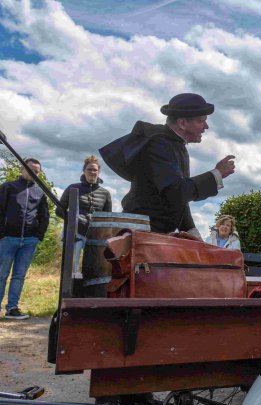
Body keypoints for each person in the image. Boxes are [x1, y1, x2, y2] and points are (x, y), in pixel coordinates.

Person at [99, 93, 235, 237]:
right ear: (182, 123)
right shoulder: (158, 145)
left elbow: (178, 198)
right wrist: (216, 174)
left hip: (151, 231)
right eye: (201, 121)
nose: (206, 127)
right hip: (141, 231)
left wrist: (190, 230)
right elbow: (175, 192)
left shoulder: (174, 145)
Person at [0, 159, 49, 322]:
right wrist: (0, 233)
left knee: (19, 276)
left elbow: (44, 216)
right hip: (8, 239)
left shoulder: (40, 192)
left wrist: (38, 235)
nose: (34, 172)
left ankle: (12, 308)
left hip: (29, 241)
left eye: (37, 171)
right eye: (30, 169)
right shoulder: (8, 187)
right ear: (22, 169)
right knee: (1, 275)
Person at [56, 155, 112, 272]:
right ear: (84, 171)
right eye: (89, 169)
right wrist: (75, 220)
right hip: (74, 233)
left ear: (99, 172)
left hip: (94, 236)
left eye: (95, 170)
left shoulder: (105, 193)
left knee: (92, 269)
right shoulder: (72, 188)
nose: (92, 172)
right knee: (71, 269)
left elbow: (107, 218)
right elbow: (59, 211)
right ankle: (69, 290)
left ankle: (86, 290)